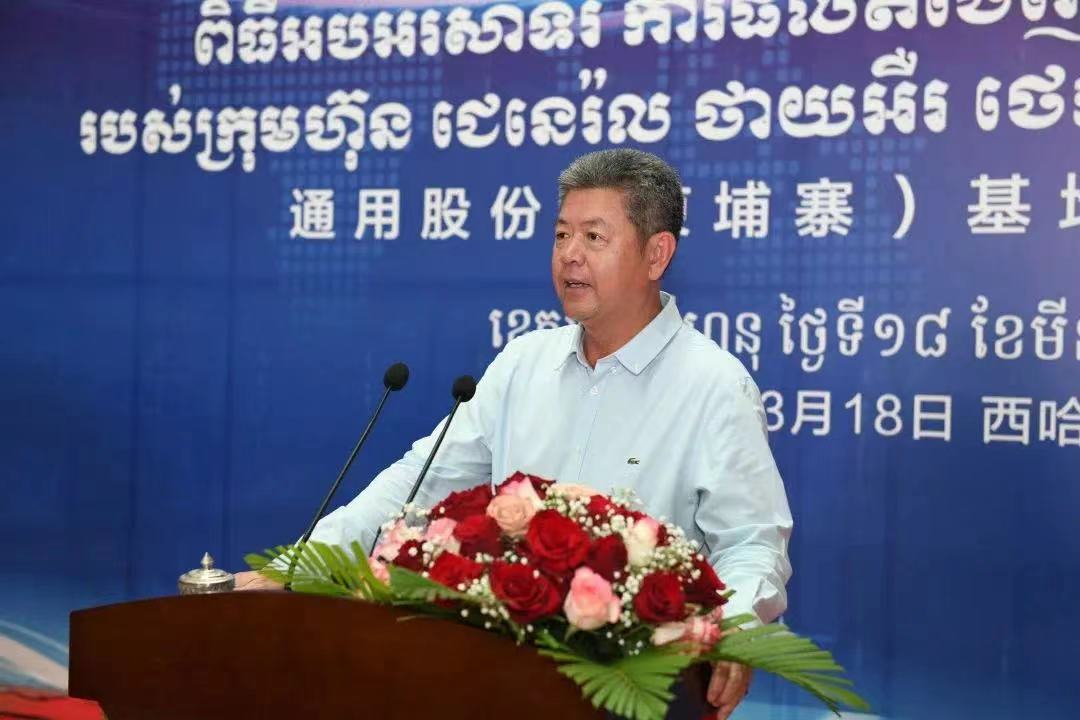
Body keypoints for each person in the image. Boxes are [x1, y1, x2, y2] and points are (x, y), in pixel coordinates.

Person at [236, 148, 792, 720]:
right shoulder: (523, 364)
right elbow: (418, 484)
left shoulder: (713, 385)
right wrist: (302, 564)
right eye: (561, 234)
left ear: (657, 254)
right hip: (499, 681)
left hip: (636, 688)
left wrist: (733, 626)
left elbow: (752, 542)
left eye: (594, 237)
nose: (569, 254)